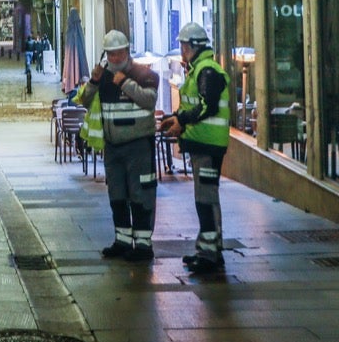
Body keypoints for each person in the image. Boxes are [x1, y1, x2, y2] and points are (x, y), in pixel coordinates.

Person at [75, 29, 159, 262]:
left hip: (138, 145)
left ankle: (143, 244)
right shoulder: (103, 77)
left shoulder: (145, 74)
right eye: (110, 54)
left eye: (118, 53)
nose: (114, 58)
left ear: (127, 51)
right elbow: (84, 99)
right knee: (117, 195)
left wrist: (125, 83)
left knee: (140, 194)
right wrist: (93, 79)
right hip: (113, 147)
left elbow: (149, 100)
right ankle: (122, 240)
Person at [159, 23, 231, 274]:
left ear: (192, 46)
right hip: (204, 143)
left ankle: (210, 254)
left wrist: (182, 120)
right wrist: (175, 116)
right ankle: (209, 248)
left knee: (205, 199)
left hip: (208, 145)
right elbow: (197, 105)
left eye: (183, 45)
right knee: (206, 197)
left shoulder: (207, 71)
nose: (181, 50)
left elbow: (206, 107)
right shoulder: (200, 69)